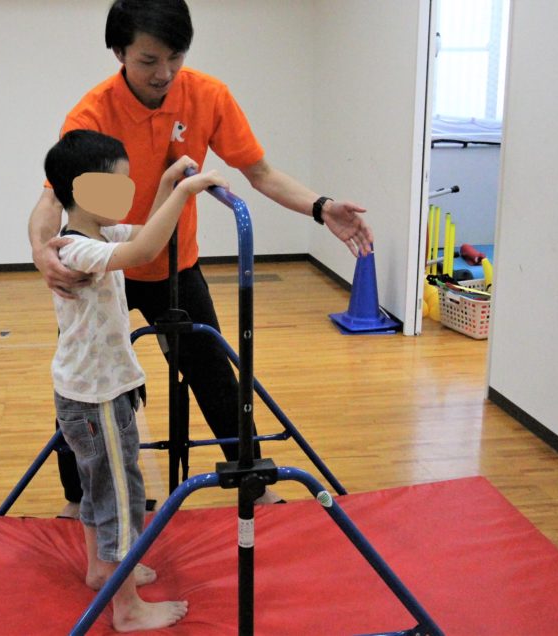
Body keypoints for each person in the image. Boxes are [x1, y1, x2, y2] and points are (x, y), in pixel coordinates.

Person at [30, 0, 374, 518]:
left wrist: (321, 208)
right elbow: (51, 197)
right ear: (119, 52)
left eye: (176, 57)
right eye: (148, 60)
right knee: (81, 381)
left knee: (213, 374)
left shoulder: (207, 96)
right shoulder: (92, 113)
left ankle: (252, 482)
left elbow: (261, 174)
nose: (164, 73)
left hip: (174, 265)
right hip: (103, 269)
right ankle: (79, 500)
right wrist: (42, 253)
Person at [45, 128, 227, 631]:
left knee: (97, 488)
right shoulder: (77, 250)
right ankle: (126, 608)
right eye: (116, 186)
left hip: (94, 389)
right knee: (120, 498)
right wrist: (187, 191)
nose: (126, 195)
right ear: (82, 191)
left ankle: (100, 570)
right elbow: (146, 250)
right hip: (97, 398)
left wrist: (169, 184)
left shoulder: (101, 236)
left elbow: (149, 232)